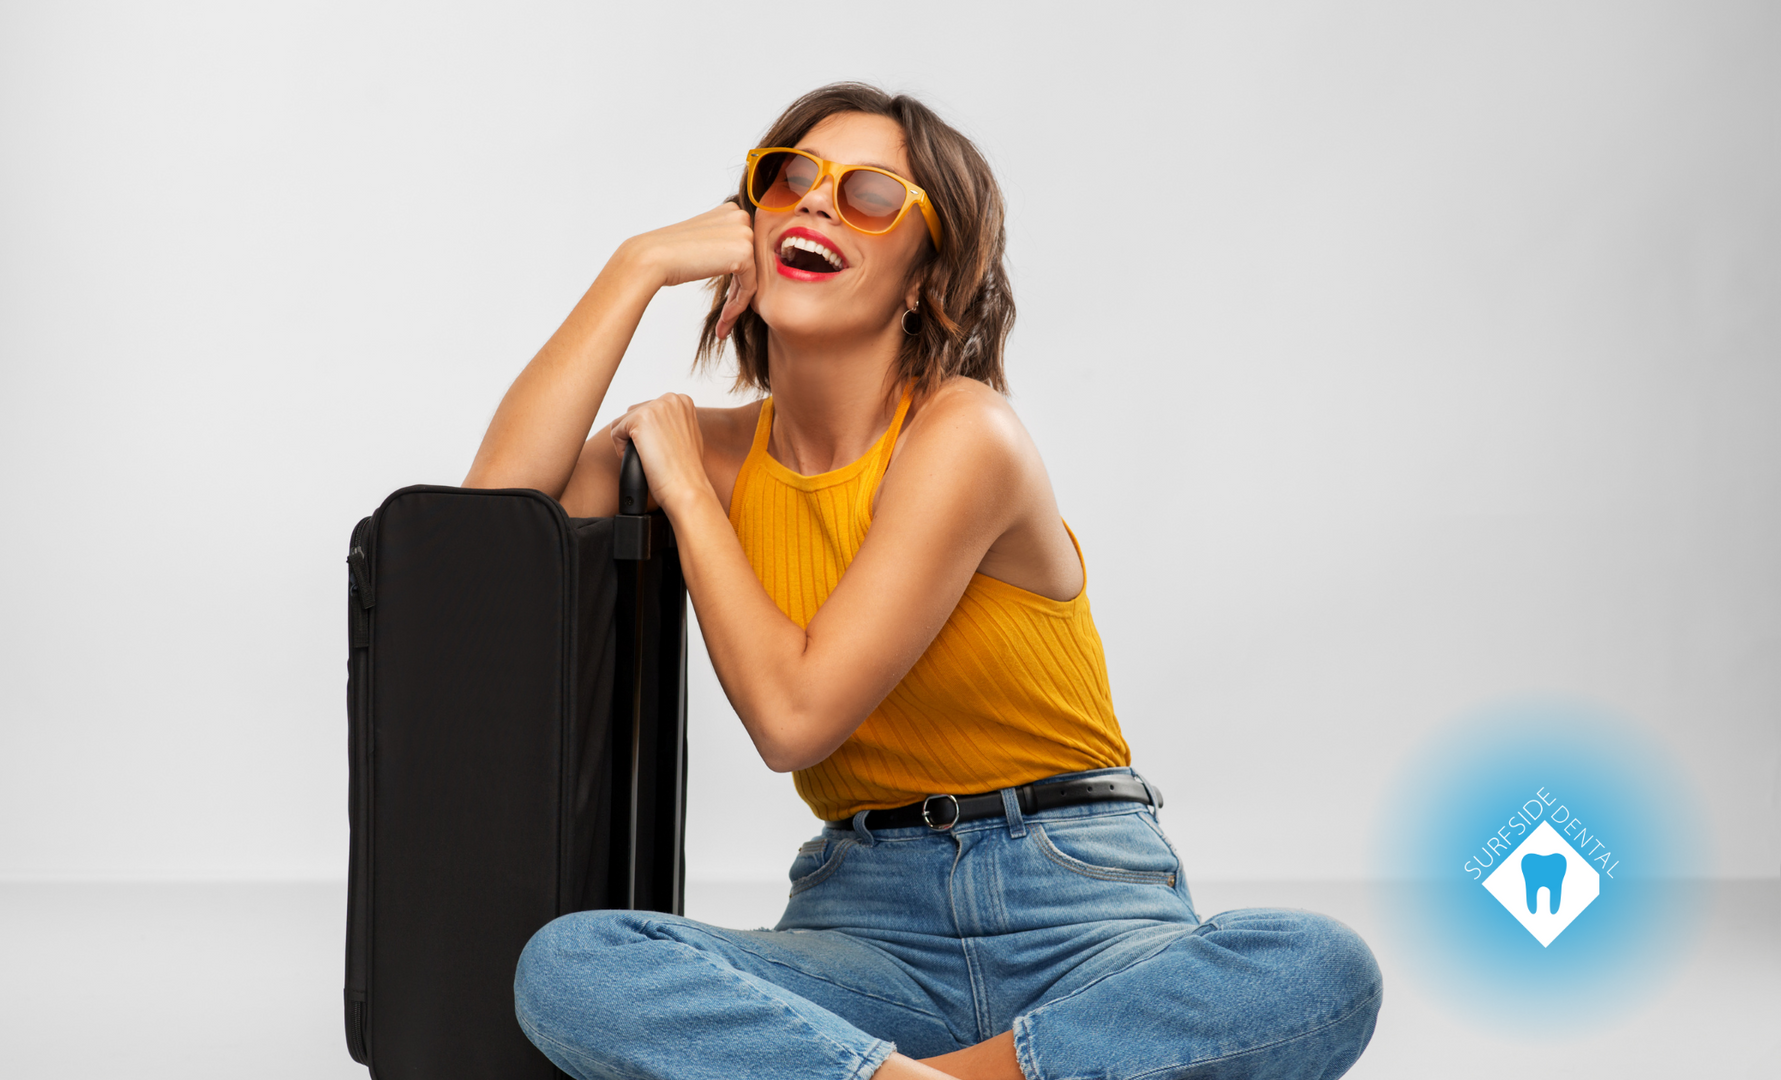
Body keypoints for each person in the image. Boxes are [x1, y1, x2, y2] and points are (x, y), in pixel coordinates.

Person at [474, 83, 1381, 1080]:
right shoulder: (714, 451)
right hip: (865, 929)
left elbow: (794, 716)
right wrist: (636, 267)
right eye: (790, 181)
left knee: (1316, 971)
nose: (815, 204)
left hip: (1077, 904)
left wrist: (686, 499)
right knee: (571, 968)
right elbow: (477, 544)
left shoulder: (964, 434)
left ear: (924, 280)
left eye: (869, 196)